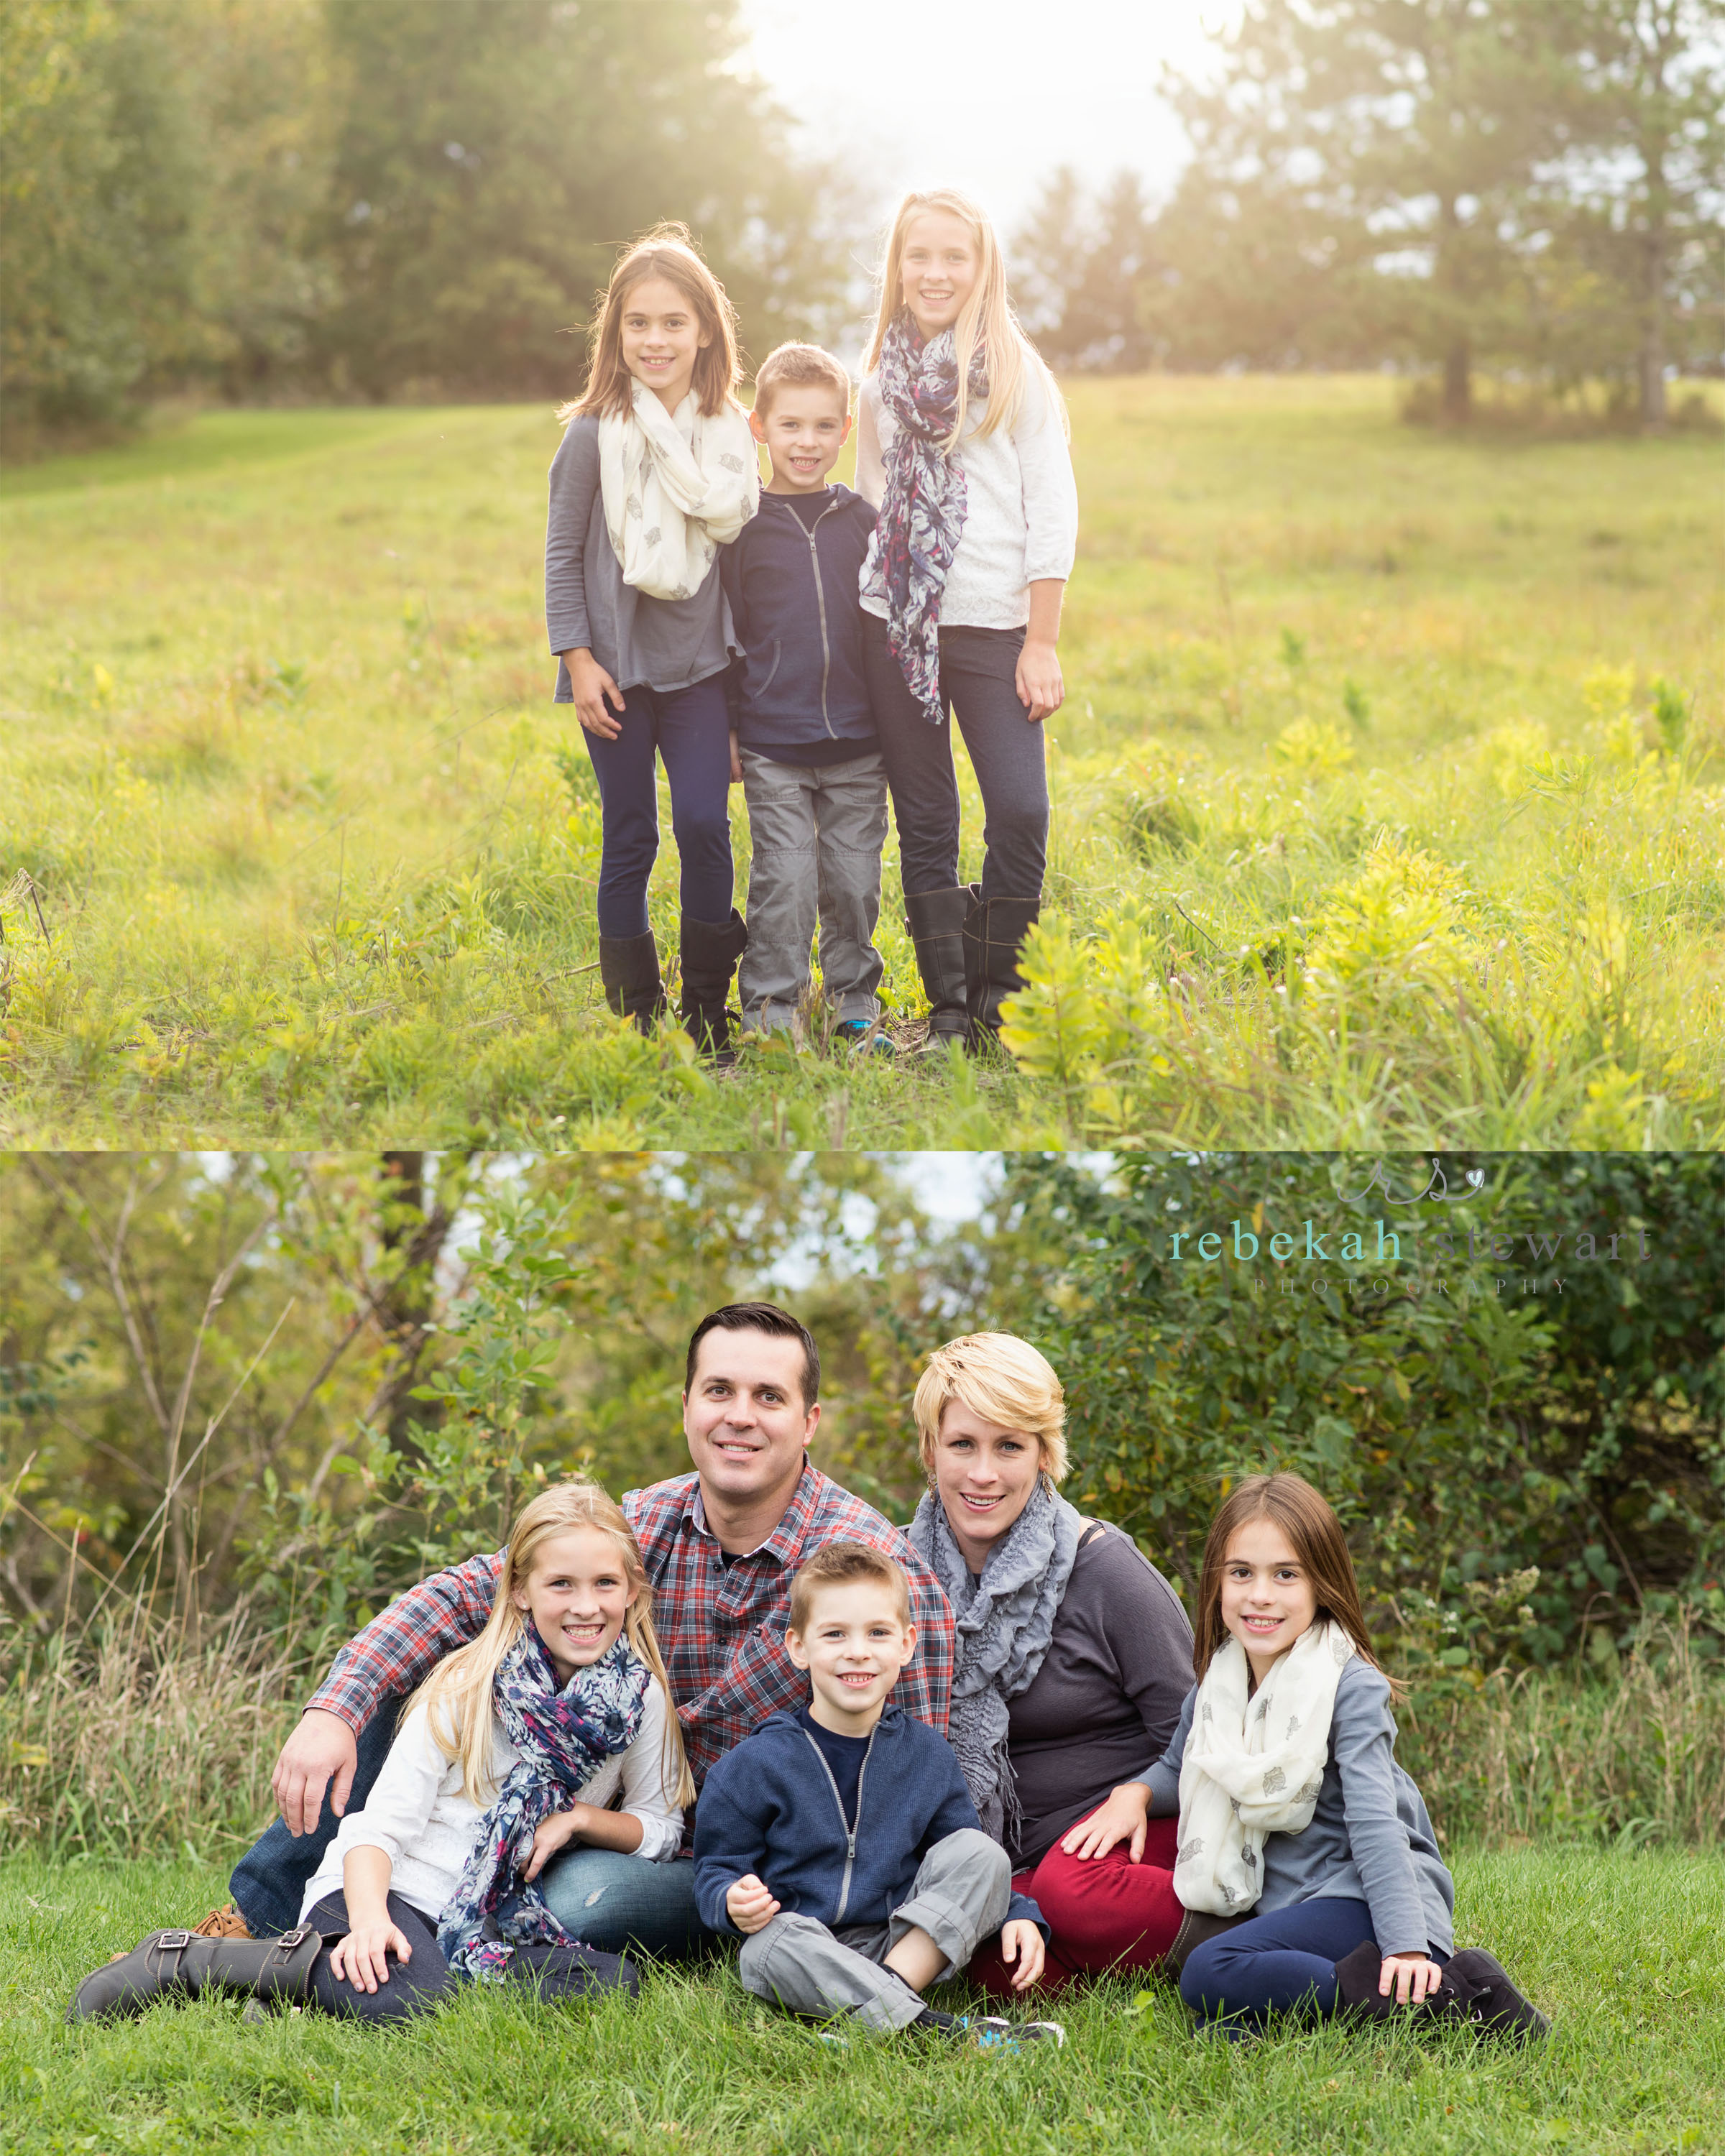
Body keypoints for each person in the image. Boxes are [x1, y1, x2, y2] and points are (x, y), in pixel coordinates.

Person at [214, 1303, 954, 1965]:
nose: (741, 1416)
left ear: (809, 1420)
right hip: (605, 1813)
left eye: (769, 1397)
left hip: (737, 1861)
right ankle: (262, 1918)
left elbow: (915, 1756)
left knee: (574, 1900)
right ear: (688, 1406)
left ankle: (443, 1936)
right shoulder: (642, 1525)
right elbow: (468, 1591)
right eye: (720, 1391)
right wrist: (333, 1707)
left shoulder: (864, 1565)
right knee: (416, 1655)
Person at [71, 1482, 671, 2024]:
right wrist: (368, 1921)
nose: (585, 1606)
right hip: (387, 1889)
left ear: (633, 1590)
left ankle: (290, 1989)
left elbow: (660, 1825)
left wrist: (580, 1820)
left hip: (491, 1916)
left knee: (613, 1983)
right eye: (560, 1584)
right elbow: (375, 1831)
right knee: (409, 2000)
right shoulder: (464, 1687)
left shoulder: (639, 1701)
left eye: (605, 1584)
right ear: (518, 1590)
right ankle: (186, 1961)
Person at [1139, 1472, 1549, 2040]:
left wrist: (1406, 1945)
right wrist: (1132, 1796)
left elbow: (1376, 1823)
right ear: (1217, 1583)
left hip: (1364, 1898)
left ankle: (1451, 1995)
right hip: (1295, 1907)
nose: (1260, 1594)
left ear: (1320, 1585)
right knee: (1221, 2017)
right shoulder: (1219, 1687)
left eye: (1285, 1575)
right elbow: (1180, 1767)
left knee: (1211, 1970)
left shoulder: (1348, 1686)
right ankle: (1307, 2018)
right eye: (1241, 1573)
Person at [902, 1332, 1195, 1999]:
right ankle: (1091, 1946)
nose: (984, 1474)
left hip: (1130, 1838)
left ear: (1044, 1456)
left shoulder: (1106, 1569)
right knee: (988, 1963)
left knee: (1072, 1890)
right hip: (1001, 1861)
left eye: (1010, 1447)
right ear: (930, 1451)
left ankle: (1242, 1933)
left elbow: (1203, 1734)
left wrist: (1141, 1795)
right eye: (963, 1445)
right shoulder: (898, 1576)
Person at [855, 189, 1079, 1052]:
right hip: (898, 629)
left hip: (995, 629)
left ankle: (999, 998)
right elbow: (876, 500)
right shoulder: (877, 383)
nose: (937, 272)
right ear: (899, 267)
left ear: (983, 268)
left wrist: (1043, 637)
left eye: (956, 256)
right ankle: (949, 1011)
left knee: (1020, 812)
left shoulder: (1017, 373)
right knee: (928, 823)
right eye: (921, 256)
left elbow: (1051, 510)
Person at [693, 1541, 1062, 2047]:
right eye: (835, 1634)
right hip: (809, 1942)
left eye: (878, 1633)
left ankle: (875, 2006)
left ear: (907, 1644)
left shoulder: (927, 1754)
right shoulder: (753, 1765)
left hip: (905, 1937)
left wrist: (1019, 1912)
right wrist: (731, 1901)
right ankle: (933, 2032)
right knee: (764, 1950)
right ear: (798, 1646)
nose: (858, 1651)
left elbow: (962, 1854)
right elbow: (716, 1870)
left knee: (983, 1854)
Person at [546, 222, 758, 1059]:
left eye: (674, 322)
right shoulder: (590, 435)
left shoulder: (730, 435)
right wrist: (579, 659)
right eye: (639, 323)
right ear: (617, 335)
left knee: (706, 825)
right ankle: (638, 1018)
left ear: (705, 329)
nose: (656, 339)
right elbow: (562, 555)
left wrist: (744, 704)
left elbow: (746, 574)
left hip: (704, 671)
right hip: (619, 672)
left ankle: (709, 1012)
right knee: (630, 833)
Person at [721, 342, 891, 1056]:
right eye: (790, 426)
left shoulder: (862, 521)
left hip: (859, 745)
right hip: (773, 744)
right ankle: (770, 1008)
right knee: (783, 879)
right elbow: (725, 636)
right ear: (758, 428)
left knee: (854, 880)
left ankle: (855, 1002)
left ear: (846, 432)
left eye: (824, 427)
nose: (807, 442)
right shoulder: (740, 528)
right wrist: (730, 728)